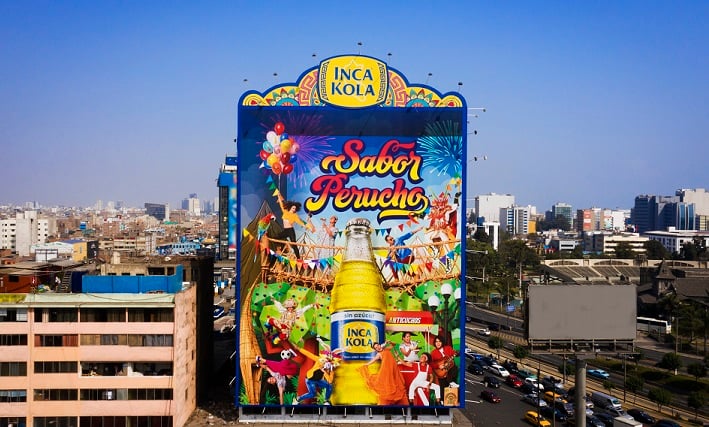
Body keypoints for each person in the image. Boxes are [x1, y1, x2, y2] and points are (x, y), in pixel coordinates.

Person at [358, 341, 409, 405]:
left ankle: (398, 401)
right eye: (376, 348)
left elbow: (394, 344)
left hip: (393, 369)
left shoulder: (387, 349)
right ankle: (387, 401)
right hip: (386, 371)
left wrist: (389, 342)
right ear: (375, 350)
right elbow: (373, 360)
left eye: (378, 346)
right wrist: (366, 364)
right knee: (387, 384)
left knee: (396, 382)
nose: (378, 347)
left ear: (380, 345)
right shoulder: (379, 354)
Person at [276, 193, 315, 258]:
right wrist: (278, 196)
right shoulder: (285, 212)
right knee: (276, 237)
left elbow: (301, 223)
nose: (294, 209)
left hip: (291, 231)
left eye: (295, 208)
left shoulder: (295, 216)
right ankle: (279, 249)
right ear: (290, 207)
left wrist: (309, 227)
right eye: (293, 208)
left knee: (294, 245)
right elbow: (281, 205)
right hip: (285, 230)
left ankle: (298, 258)